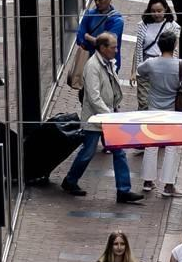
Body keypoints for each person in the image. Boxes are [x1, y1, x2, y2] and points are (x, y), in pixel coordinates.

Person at [63, 34, 146, 203]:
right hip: (96, 119)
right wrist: (109, 116)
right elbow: (94, 97)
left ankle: (123, 190)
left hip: (106, 117)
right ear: (102, 48)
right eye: (113, 47)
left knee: (119, 152)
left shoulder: (107, 63)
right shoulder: (93, 66)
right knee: (88, 152)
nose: (116, 50)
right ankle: (70, 180)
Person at [135, 26, 182, 195]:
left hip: (153, 109)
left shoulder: (151, 63)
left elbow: (140, 71)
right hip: (173, 111)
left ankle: (148, 182)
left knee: (151, 144)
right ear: (175, 45)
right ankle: (168, 185)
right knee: (171, 147)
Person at [71, 0, 127, 89]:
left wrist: (88, 37)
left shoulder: (116, 20)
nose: (97, 2)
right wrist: (93, 40)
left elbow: (106, 43)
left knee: (106, 96)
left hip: (108, 65)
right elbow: (79, 37)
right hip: (89, 62)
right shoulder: (90, 13)